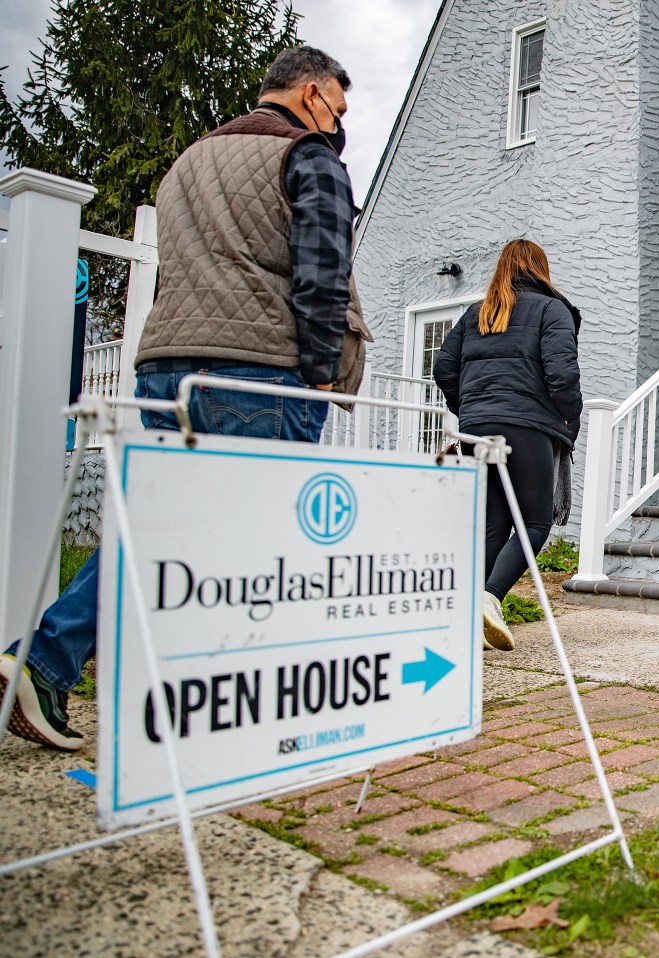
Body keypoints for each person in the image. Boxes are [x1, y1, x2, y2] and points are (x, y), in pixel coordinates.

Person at [0, 46, 366, 751]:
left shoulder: (189, 162)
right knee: (261, 550)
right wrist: (320, 371)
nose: (340, 124)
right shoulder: (308, 156)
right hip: (255, 373)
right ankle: (240, 712)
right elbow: (323, 268)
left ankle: (43, 661)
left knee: (157, 537)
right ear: (313, 93)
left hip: (165, 366)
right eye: (339, 109)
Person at [433, 239, 582, 653]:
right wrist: (569, 416)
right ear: (540, 269)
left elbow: (443, 367)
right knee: (534, 523)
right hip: (527, 426)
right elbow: (562, 375)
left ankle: (468, 612)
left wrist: (471, 408)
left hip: (477, 428)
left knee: (494, 524)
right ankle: (490, 596)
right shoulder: (552, 309)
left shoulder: (477, 313)